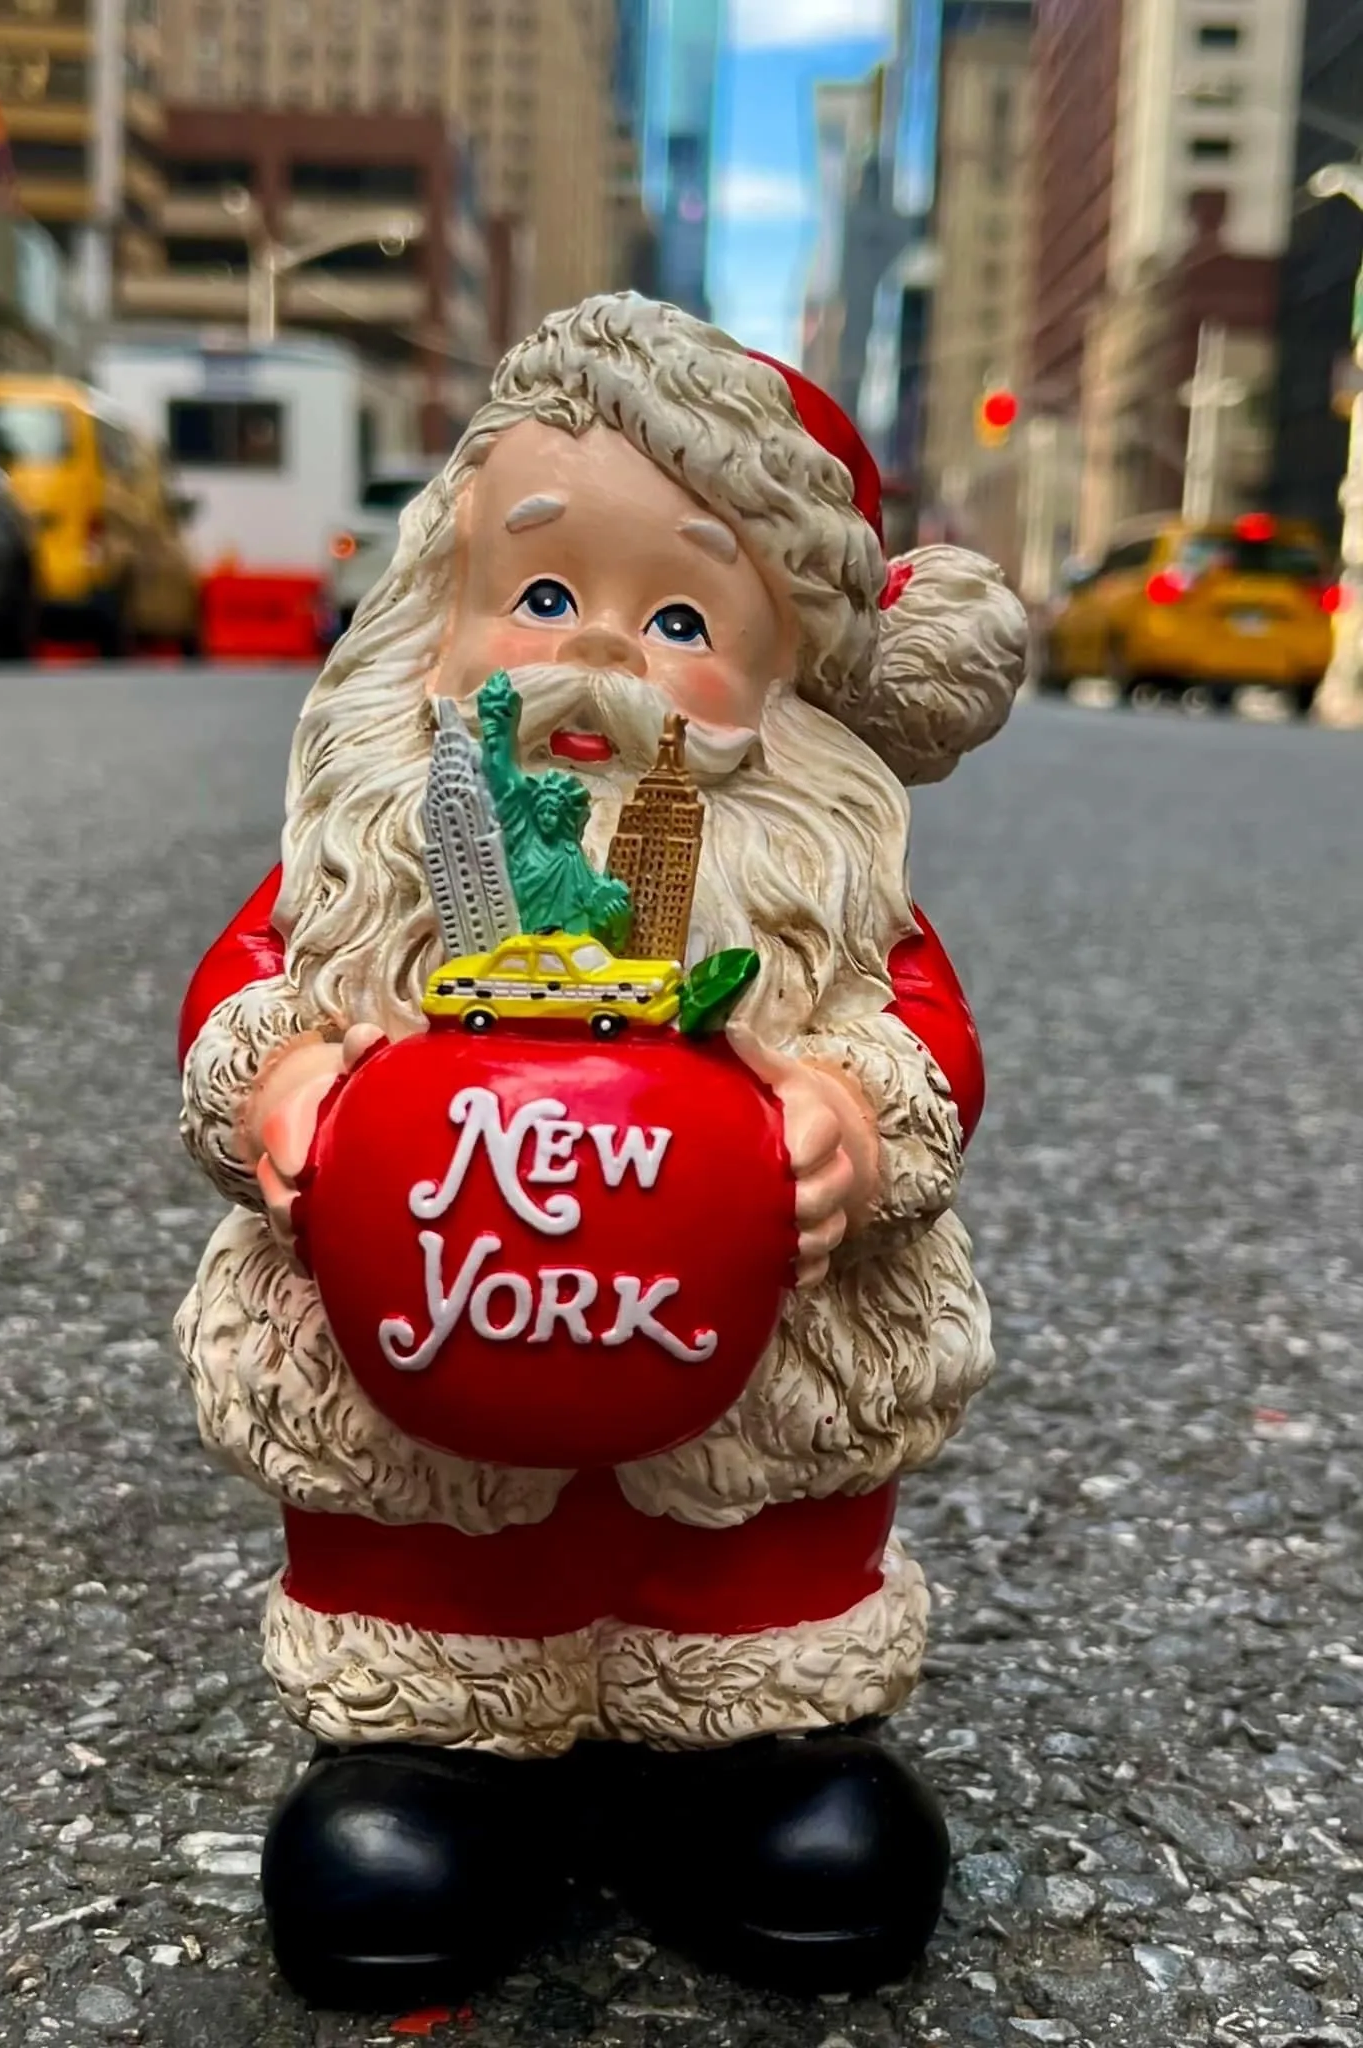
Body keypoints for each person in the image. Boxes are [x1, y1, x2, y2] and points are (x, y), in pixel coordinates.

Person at [174, 293, 1028, 2009]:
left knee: (758, 1540)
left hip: (750, 1365)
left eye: (685, 613)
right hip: (424, 1344)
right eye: (543, 595)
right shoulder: (390, 846)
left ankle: (741, 1750)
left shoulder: (804, 870)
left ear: (790, 676)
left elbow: (914, 1021)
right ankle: (440, 1752)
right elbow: (255, 976)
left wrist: (856, 1113)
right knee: (432, 1543)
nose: (597, 660)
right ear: (442, 614)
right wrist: (279, 1074)